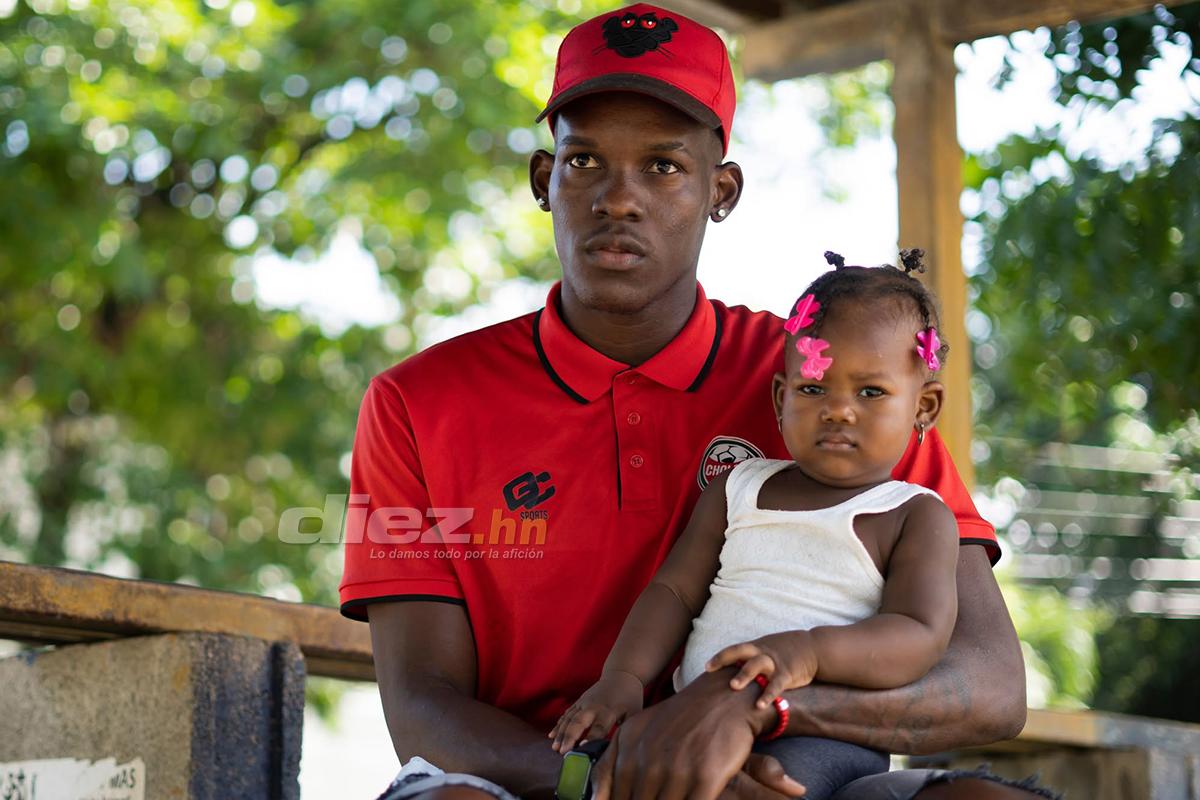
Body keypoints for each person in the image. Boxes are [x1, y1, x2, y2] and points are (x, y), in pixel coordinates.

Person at [340, 5, 1043, 799]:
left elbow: (990, 686)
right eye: (584, 163)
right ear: (545, 181)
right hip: (539, 781)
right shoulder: (416, 402)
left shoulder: (835, 380)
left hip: (793, 768)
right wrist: (617, 781)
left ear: (722, 190)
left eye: (664, 166)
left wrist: (755, 714)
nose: (619, 199)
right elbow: (420, 704)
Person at [548, 251, 962, 800]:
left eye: (870, 392)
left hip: (818, 733)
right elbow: (673, 592)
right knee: (608, 777)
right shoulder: (739, 487)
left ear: (924, 408)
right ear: (779, 398)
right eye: (813, 389)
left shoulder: (912, 514)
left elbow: (919, 633)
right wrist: (622, 680)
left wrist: (808, 652)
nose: (839, 410)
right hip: (686, 715)